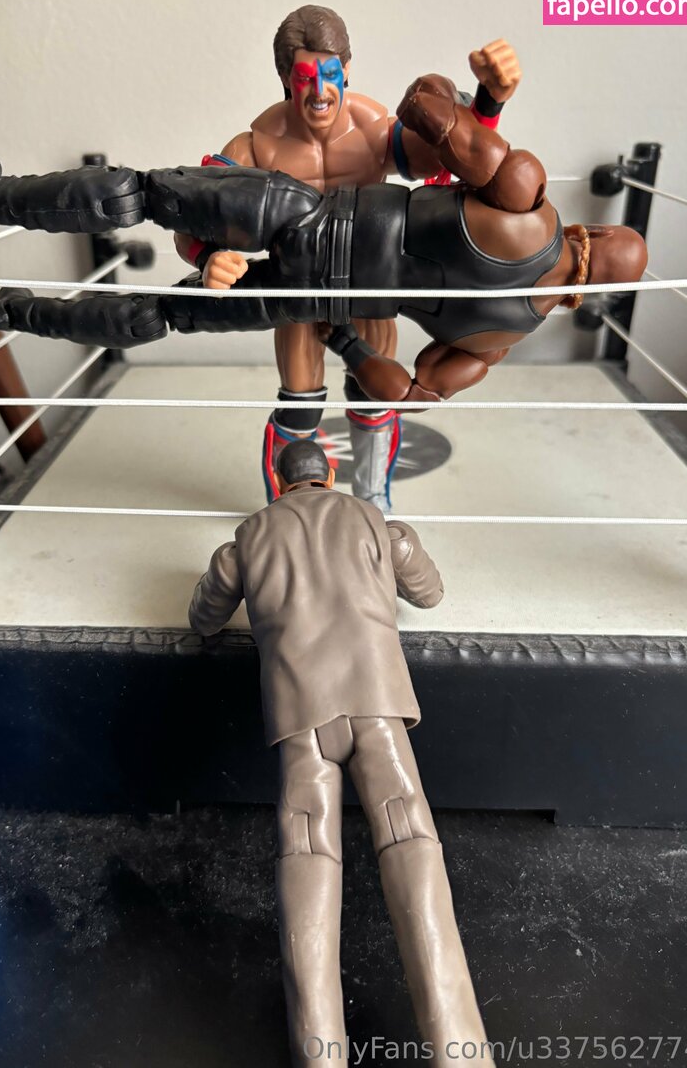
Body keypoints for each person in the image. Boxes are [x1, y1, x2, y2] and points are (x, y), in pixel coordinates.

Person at [0, 77, 647, 411]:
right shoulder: (500, 342)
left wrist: (446, 96)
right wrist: (345, 343)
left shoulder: (527, 199)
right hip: (309, 299)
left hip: (310, 215)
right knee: (167, 315)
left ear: (596, 231)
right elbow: (410, 391)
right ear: (593, 294)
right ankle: (10, 313)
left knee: (144, 193)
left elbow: (424, 110)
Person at [188, 439, 490, 1067]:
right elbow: (429, 592)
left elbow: (205, 616)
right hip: (377, 707)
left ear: (277, 480)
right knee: (412, 844)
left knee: (305, 856)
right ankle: (460, 1048)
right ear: (330, 473)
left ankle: (318, 1052)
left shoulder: (247, 538)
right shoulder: (374, 521)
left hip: (301, 717)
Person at [173, 5, 521, 508]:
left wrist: (489, 100)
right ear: (285, 77)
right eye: (305, 77)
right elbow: (190, 217)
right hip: (298, 289)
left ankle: (374, 505)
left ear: (348, 69)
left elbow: (457, 160)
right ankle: (290, 513)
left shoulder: (374, 129)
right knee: (299, 404)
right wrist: (208, 256)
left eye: (330, 75)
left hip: (370, 285)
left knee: (378, 396)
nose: (320, 91)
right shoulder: (255, 146)